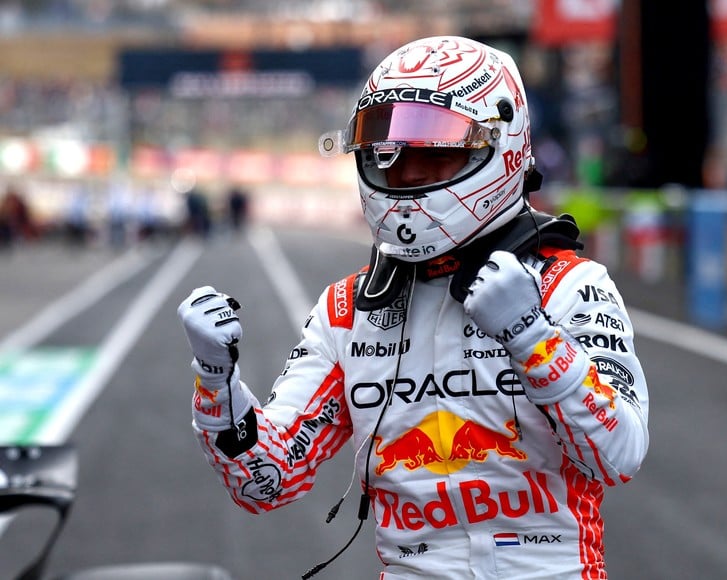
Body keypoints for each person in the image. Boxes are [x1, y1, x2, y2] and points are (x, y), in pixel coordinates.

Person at [178, 36, 649, 579]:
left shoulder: (569, 286)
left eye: (435, 154)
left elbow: (619, 455)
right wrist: (216, 382)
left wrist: (531, 337)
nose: (407, 176)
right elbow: (268, 481)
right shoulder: (345, 310)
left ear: (502, 149)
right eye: (391, 157)